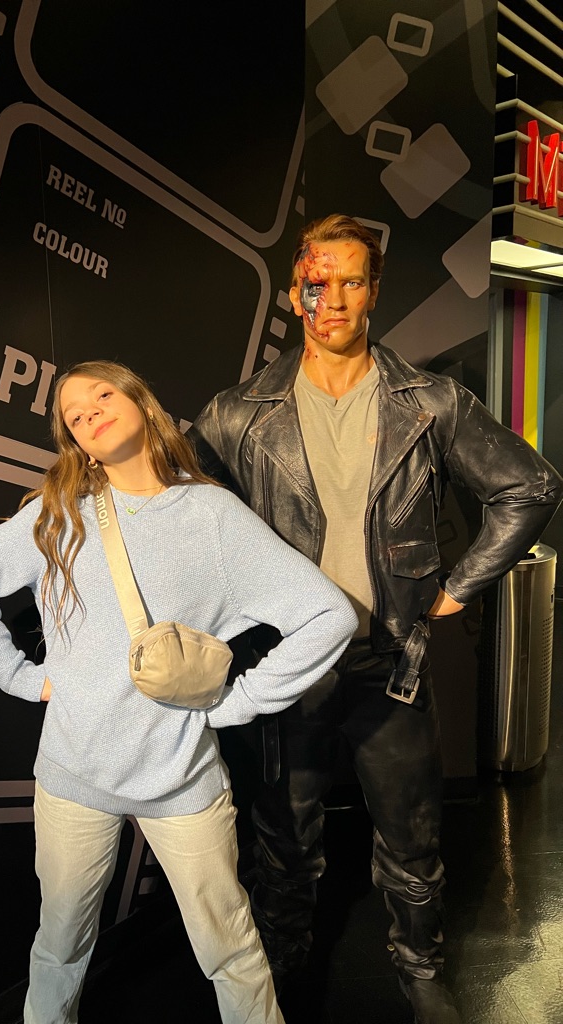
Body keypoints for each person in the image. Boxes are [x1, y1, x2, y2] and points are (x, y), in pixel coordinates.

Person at [189, 214, 563, 1024]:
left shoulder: (429, 402)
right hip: (285, 666)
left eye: (350, 281)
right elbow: (178, 508)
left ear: (373, 291)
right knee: (283, 838)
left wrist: (459, 587)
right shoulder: (238, 413)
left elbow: (529, 486)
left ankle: (420, 969)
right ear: (294, 291)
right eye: (316, 282)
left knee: (412, 836)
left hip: (391, 663)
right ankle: (282, 966)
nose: (331, 299)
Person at [0, 360, 358, 1024]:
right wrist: (19, 677)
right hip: (73, 778)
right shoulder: (60, 515)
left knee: (230, 950)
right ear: (76, 443)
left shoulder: (213, 516)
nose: (89, 412)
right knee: (59, 946)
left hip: (180, 780)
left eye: (102, 394)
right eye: (74, 415)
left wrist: (239, 702)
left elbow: (329, 615)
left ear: (142, 404)